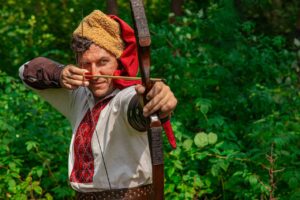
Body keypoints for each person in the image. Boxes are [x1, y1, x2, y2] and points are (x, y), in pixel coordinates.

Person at [19, 10, 177, 199]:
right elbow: (25, 71)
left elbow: (139, 107)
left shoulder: (126, 96)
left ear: (118, 61)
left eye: (103, 62)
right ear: (77, 63)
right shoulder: (77, 95)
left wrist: (156, 99)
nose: (95, 73)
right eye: (86, 64)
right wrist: (59, 74)